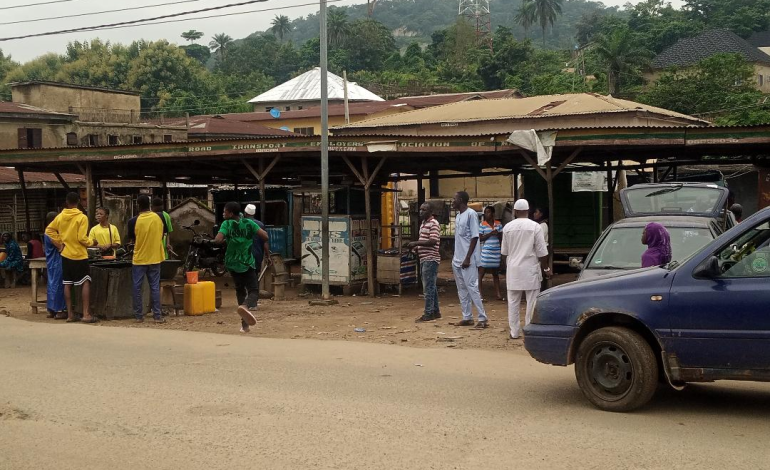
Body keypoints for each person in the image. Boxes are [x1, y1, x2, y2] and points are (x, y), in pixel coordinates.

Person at [209, 201, 269, 333]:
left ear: (230, 213)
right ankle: (246, 306)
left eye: (225, 211)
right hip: (247, 262)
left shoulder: (226, 224)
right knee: (253, 290)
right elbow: (265, 236)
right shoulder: (249, 223)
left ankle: (245, 325)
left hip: (232, 263)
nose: (223, 213)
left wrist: (222, 239)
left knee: (240, 290)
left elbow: (218, 240)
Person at [45, 192, 99, 323]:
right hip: (79, 255)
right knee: (85, 282)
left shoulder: (60, 216)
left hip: (66, 254)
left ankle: (70, 314)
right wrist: (92, 242)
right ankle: (86, 314)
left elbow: (49, 230)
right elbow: (82, 238)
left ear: (66, 202)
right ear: (79, 201)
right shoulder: (82, 217)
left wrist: (60, 243)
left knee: (67, 283)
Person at [501, 199, 550, 340]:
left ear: (515, 212)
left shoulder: (508, 228)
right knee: (532, 301)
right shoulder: (535, 227)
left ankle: (514, 332)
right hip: (530, 269)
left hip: (514, 270)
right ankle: (529, 330)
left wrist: (508, 267)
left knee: (513, 302)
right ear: (528, 211)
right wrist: (546, 268)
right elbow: (542, 252)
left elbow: (504, 252)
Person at [128, 195, 167, 323]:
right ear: (149, 204)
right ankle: (157, 316)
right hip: (155, 257)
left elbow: (132, 239)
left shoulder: (133, 221)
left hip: (139, 258)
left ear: (138, 205)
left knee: (137, 287)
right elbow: (162, 235)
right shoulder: (159, 218)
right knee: (155, 286)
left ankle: (139, 316)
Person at [451, 191, 488, 328]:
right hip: (457, 259)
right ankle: (467, 317)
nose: (452, 201)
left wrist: (467, 258)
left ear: (460, 200)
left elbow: (474, 237)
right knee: (462, 289)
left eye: (454, 198)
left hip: (468, 259)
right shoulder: (459, 216)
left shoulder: (471, 214)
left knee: (472, 287)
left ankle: (482, 318)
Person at [407, 202, 442, 322]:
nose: (421, 212)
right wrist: (417, 248)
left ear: (430, 211)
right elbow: (425, 240)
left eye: (424, 210)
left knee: (428, 288)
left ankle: (428, 313)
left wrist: (416, 243)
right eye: (420, 210)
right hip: (424, 258)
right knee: (431, 286)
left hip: (430, 259)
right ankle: (436, 311)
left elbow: (432, 241)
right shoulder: (423, 224)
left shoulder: (434, 224)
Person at [43, 212, 66, 319]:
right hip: (57, 261)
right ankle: (59, 310)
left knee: (52, 284)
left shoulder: (48, 231)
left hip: (51, 262)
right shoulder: (51, 233)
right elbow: (61, 247)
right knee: (58, 285)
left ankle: (51, 309)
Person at [478, 205, 503, 301]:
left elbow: (501, 238)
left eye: (488, 212)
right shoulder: (482, 224)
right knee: (481, 272)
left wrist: (498, 234)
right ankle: (480, 295)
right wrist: (490, 234)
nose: (486, 214)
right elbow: (480, 238)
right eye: (485, 212)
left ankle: (498, 294)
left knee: (495, 273)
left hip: (496, 250)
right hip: (486, 251)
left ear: (493, 213)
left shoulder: (498, 224)